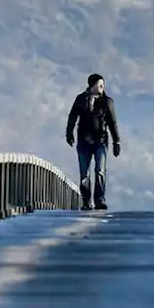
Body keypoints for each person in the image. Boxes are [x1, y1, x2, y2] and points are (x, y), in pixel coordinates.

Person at [65, 73, 121, 210]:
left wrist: (116, 142)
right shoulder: (81, 99)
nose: (102, 86)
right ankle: (86, 201)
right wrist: (69, 133)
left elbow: (112, 123)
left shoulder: (107, 102)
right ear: (92, 85)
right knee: (84, 173)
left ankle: (99, 200)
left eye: (103, 84)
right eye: (99, 83)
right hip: (84, 140)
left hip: (100, 141)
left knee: (100, 171)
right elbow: (72, 116)